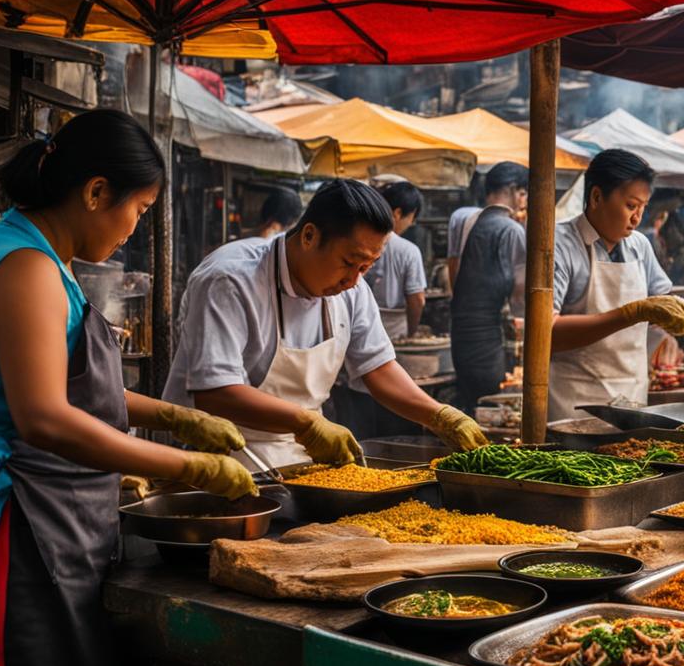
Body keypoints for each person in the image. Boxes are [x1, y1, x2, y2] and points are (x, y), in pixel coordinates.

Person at [0, 110, 255, 666]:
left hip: (56, 510)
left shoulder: (47, 259)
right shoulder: (23, 265)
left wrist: (179, 418)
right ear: (95, 192)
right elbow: (45, 417)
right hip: (13, 514)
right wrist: (190, 467)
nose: (135, 229)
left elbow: (83, 389)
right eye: (139, 209)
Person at [163, 178, 486, 468]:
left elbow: (378, 367)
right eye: (348, 262)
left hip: (301, 457)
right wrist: (306, 423)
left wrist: (438, 416)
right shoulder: (230, 280)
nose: (354, 279)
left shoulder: (352, 289)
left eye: (367, 267)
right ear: (308, 236)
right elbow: (215, 392)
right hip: (214, 458)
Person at [548, 149, 684, 420]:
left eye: (643, 208)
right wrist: (633, 313)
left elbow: (662, 305)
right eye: (631, 206)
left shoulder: (639, 246)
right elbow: (546, 333)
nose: (637, 218)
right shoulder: (559, 244)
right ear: (596, 197)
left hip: (631, 397)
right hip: (573, 400)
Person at [449, 163, 531, 413]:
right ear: (516, 191)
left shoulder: (472, 222)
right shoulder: (510, 228)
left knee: (475, 407)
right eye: (525, 193)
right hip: (488, 342)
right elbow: (520, 290)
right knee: (496, 409)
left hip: (463, 339)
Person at [446, 161, 529, 288]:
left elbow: (454, 261)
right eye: (522, 194)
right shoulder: (511, 229)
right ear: (512, 190)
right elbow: (518, 281)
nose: (524, 202)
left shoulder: (463, 216)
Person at [366, 181, 428, 340]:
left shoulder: (360, 238)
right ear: (398, 213)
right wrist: (412, 332)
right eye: (411, 218)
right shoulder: (409, 251)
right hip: (394, 334)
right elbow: (417, 300)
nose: (411, 224)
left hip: (357, 329)